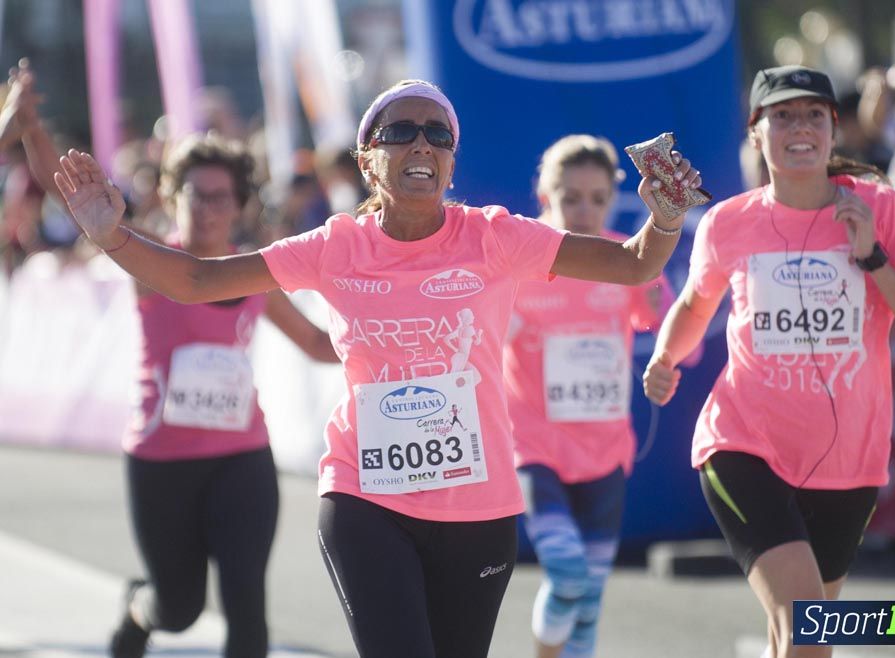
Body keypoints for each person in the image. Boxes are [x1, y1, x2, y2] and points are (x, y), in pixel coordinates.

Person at [54, 79, 703, 658]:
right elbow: (199, 278)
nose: (420, 144)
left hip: (478, 506)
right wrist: (113, 235)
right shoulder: (338, 246)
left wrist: (666, 217)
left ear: (452, 161)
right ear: (368, 161)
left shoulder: (496, 237)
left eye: (436, 134)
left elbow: (634, 266)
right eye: (400, 132)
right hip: (366, 497)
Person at [9, 63, 340, 658]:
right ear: (170, 195)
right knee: (179, 608)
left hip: (242, 458)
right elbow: (77, 197)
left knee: (246, 607)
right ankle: (142, 606)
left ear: (239, 206)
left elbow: (317, 345)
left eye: (222, 198)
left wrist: (394, 334)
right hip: (163, 461)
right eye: (196, 194)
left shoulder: (251, 272)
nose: (209, 209)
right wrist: (32, 129)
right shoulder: (151, 262)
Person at [642, 66, 895, 658]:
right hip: (744, 444)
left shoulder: (885, 211)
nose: (800, 127)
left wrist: (874, 259)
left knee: (801, 636)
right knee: (809, 633)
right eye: (782, 115)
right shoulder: (728, 223)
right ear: (757, 134)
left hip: (848, 462)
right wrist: (665, 357)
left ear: (834, 130)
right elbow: (693, 304)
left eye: (814, 114)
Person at [503, 134, 671, 658]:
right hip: (536, 449)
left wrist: (663, 367)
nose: (584, 209)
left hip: (604, 452)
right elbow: (482, 340)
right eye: (570, 197)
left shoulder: (627, 258)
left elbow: (662, 323)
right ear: (544, 197)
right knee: (569, 574)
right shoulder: (521, 265)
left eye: (597, 199)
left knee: (590, 599)